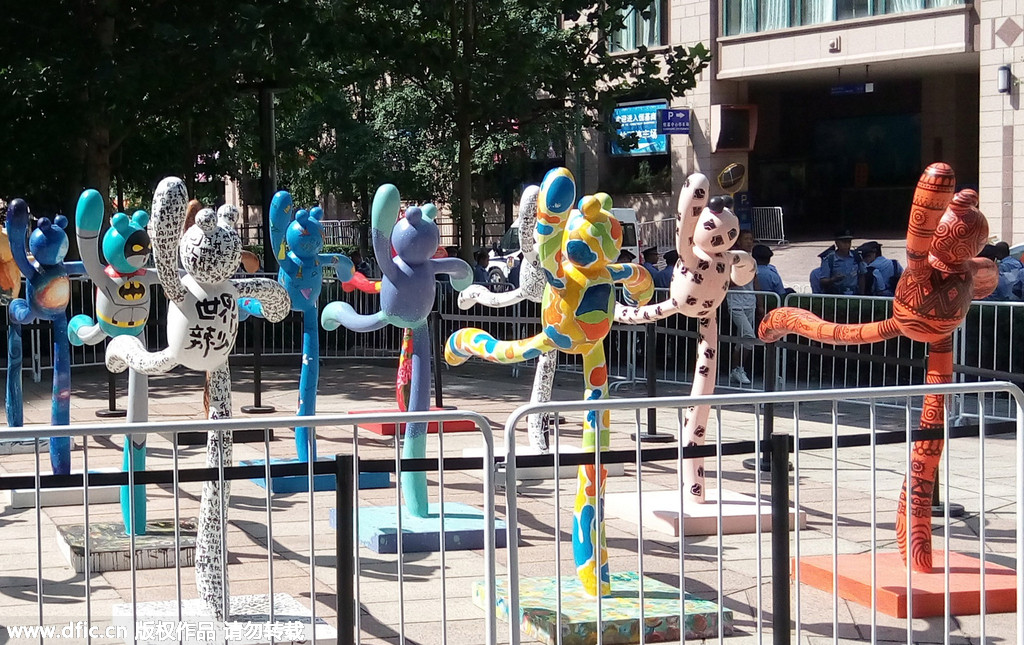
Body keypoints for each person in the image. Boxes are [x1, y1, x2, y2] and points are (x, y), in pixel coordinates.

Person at [727, 229, 759, 385]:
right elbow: (727, 282)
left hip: (750, 303)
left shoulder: (752, 260)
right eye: (746, 239)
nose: (750, 242)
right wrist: (740, 278)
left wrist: (760, 303)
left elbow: (755, 282)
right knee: (749, 337)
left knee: (742, 341)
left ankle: (736, 370)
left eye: (751, 239)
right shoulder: (731, 259)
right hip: (736, 303)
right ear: (739, 241)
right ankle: (738, 369)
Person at [817, 230, 865, 295]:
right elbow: (823, 280)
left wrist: (861, 294)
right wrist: (833, 279)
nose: (847, 245)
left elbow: (862, 275)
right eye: (844, 242)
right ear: (837, 243)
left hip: (854, 293)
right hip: (836, 294)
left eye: (849, 242)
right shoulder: (830, 259)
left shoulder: (856, 256)